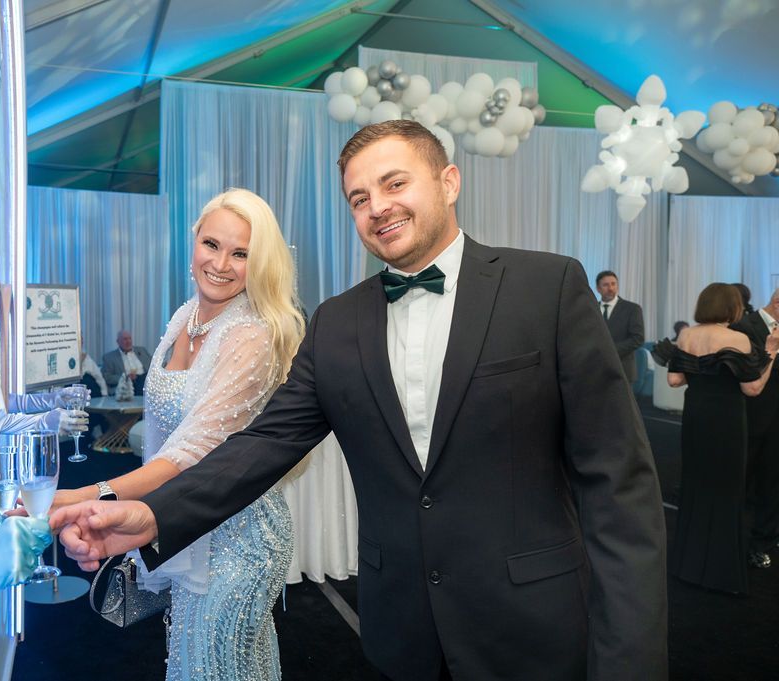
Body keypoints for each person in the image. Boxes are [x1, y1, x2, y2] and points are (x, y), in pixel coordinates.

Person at [52, 120, 668, 680]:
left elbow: (617, 482)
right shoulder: (337, 322)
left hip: (534, 628)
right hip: (403, 634)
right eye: (358, 197)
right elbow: (262, 445)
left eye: (395, 183)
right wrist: (153, 516)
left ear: (449, 182)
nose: (378, 207)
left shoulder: (547, 287)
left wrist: (631, 660)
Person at [52, 188, 305, 680]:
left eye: (241, 254)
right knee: (195, 661)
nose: (221, 264)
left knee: (217, 665)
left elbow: (187, 453)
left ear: (260, 263)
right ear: (194, 241)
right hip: (188, 520)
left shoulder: (251, 335)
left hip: (240, 537)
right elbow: (162, 440)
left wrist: (84, 496)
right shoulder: (184, 317)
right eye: (211, 244)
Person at [666, 283, 778, 593]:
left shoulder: (686, 335)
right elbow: (752, 388)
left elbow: (674, 380)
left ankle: (688, 564)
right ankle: (720, 570)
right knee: (727, 489)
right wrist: (770, 352)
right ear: (732, 307)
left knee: (696, 484)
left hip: (695, 418)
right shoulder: (738, 339)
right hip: (727, 421)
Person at [731, 287, 779, 568]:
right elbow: (746, 374)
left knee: (772, 483)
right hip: (751, 417)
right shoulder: (745, 327)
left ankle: (764, 541)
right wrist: (771, 351)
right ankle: (732, 543)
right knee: (742, 482)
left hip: (775, 423)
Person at [596, 270, 645, 383]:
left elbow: (638, 338)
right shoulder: (592, 309)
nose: (610, 288)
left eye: (613, 284)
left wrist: (611, 351)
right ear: (598, 289)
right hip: (596, 370)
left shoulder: (632, 309)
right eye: (606, 285)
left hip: (622, 369)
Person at [101, 329, 152, 395]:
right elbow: (107, 377)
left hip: (145, 379)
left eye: (129, 338)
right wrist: (125, 377)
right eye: (125, 339)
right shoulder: (109, 357)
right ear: (118, 342)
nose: (128, 341)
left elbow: (153, 365)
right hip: (128, 383)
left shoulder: (142, 351)